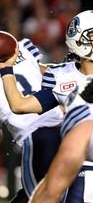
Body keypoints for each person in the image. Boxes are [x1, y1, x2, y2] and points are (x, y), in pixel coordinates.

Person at [0, 10, 93, 202]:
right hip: (86, 162)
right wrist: (6, 69)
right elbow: (20, 105)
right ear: (78, 41)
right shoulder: (61, 76)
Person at [0, 38, 63, 202]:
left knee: (36, 197)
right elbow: (47, 71)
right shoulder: (21, 46)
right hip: (62, 126)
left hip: (35, 136)